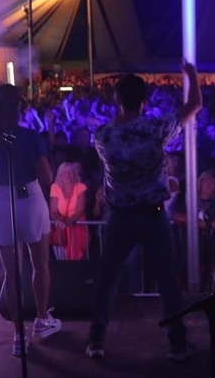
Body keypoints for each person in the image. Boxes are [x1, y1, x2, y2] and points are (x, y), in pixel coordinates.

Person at [85, 62, 201, 362]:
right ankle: (177, 344)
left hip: (120, 216)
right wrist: (190, 74)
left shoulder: (102, 135)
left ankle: (96, 340)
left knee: (107, 279)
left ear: (117, 100)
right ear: (144, 101)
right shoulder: (154, 129)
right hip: (152, 214)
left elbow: (115, 134)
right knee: (166, 281)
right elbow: (194, 105)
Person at [0, 84, 61, 356]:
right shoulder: (30, 136)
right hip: (29, 195)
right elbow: (46, 177)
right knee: (40, 263)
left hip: (1, 197)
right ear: (19, 107)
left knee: (12, 272)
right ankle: (42, 320)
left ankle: (18, 335)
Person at [49, 160, 89, 261]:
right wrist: (58, 220)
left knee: (79, 258)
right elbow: (53, 210)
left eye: (70, 173)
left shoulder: (80, 187)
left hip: (77, 226)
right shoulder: (55, 187)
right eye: (65, 173)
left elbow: (80, 210)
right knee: (62, 258)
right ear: (59, 174)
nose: (68, 175)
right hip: (61, 227)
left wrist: (66, 222)